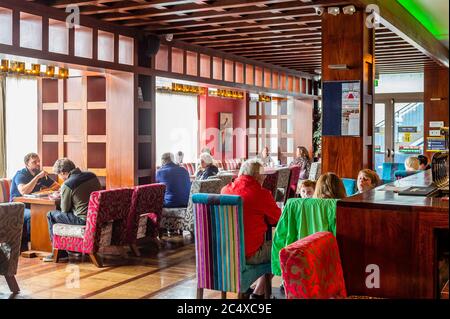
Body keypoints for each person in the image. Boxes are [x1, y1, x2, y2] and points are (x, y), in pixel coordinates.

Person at [221, 159, 281, 299]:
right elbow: (278, 219)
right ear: (258, 176)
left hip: (225, 252)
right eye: (264, 175)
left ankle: (247, 288)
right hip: (249, 255)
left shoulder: (225, 190)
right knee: (283, 246)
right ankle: (258, 293)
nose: (265, 178)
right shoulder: (261, 194)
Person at [43, 158, 101, 262]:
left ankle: (59, 253)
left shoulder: (68, 184)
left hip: (83, 219)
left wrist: (62, 195)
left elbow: (64, 210)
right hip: (97, 217)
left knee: (50, 214)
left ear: (64, 172)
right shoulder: (91, 175)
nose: (61, 178)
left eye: (60, 175)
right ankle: (74, 249)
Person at [10, 153, 60, 252]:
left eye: (38, 161)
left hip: (35, 204)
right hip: (18, 206)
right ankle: (33, 244)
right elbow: (23, 191)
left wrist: (43, 191)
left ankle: (48, 244)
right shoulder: (21, 174)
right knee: (33, 215)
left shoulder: (40, 173)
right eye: (34, 162)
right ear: (27, 164)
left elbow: (57, 186)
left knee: (51, 213)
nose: (38, 164)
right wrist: (37, 177)